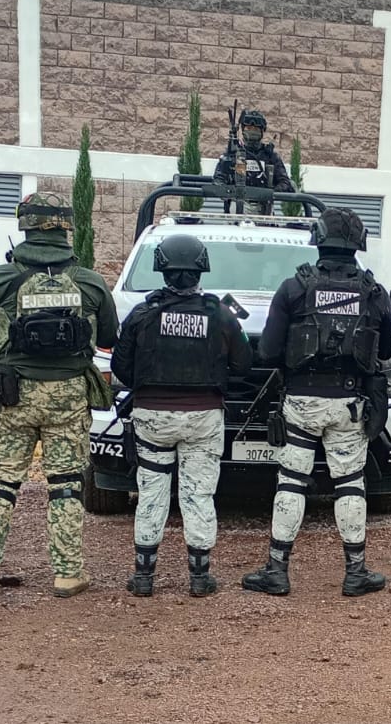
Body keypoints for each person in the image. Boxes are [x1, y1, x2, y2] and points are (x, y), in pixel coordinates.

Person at [0, 193, 118, 599]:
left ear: (25, 225)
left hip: (13, 393)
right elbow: (108, 335)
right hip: (69, 396)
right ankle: (68, 574)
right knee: (66, 485)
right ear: (67, 226)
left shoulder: (0, 278)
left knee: (0, 482)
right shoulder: (89, 281)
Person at [242, 207, 391, 597]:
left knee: (291, 481)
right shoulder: (374, 292)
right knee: (350, 483)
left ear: (319, 239)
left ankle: (277, 570)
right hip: (349, 403)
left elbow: (268, 351)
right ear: (358, 244)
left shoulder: (293, 288)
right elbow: (386, 350)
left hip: (301, 402)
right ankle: (356, 572)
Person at [111, 234, 251, 598]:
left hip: (152, 417)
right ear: (201, 268)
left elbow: (121, 367)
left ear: (162, 269)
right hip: (203, 418)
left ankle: (144, 577)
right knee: (198, 494)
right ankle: (200, 578)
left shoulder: (142, 313)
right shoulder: (220, 313)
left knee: (151, 493)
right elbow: (244, 364)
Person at [211, 108, 293, 214]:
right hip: (237, 205)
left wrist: (270, 193)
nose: (252, 131)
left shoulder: (270, 156)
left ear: (262, 131)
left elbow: (285, 182)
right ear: (243, 130)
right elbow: (218, 180)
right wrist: (231, 192)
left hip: (265, 207)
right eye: (249, 128)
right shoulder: (233, 154)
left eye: (256, 129)